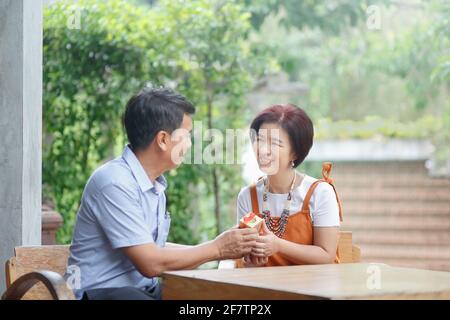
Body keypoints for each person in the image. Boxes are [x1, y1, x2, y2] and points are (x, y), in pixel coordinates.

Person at [65, 87, 258, 300]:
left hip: (141, 292)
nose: (190, 144)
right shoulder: (113, 182)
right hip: (98, 295)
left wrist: (227, 244)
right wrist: (218, 248)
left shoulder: (154, 185)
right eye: (186, 136)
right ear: (163, 140)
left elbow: (155, 249)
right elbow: (150, 263)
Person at [236, 104, 343, 268]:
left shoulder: (320, 193)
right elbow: (247, 260)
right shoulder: (247, 196)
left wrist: (278, 245)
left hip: (313, 289)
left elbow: (326, 255)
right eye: (260, 140)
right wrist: (252, 259)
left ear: (295, 153)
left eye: (275, 144)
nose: (264, 150)